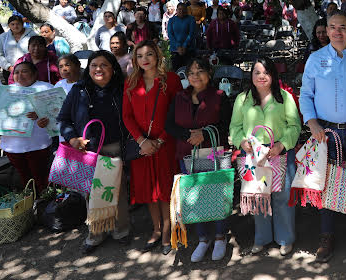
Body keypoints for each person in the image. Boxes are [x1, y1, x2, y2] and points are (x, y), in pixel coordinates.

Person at [299, 11, 346, 262]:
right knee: (326, 183)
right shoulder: (316, 59)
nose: (337, 32)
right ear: (327, 30)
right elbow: (306, 95)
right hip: (326, 132)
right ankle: (327, 235)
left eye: (342, 27)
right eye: (332, 27)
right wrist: (312, 123)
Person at [57, 51, 130, 253]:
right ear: (87, 69)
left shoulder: (122, 88)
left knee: (118, 192)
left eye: (104, 65)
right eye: (94, 65)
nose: (98, 69)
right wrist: (73, 138)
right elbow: (63, 119)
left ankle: (120, 230)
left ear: (113, 68)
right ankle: (96, 234)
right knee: (93, 194)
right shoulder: (78, 90)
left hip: (114, 147)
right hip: (88, 152)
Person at [229, 57, 300, 258]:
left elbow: (295, 126)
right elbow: (235, 127)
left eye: (266, 72)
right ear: (251, 75)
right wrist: (241, 142)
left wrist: (281, 145)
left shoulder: (285, 97)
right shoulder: (242, 99)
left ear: (273, 75)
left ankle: (285, 239)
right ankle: (262, 238)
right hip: (253, 155)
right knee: (258, 195)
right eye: (257, 72)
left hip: (279, 152)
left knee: (282, 197)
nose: (261, 76)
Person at [165, 58, 232, 262]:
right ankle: (203, 238)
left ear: (209, 73)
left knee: (217, 193)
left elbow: (227, 124)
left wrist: (204, 134)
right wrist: (189, 136)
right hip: (188, 154)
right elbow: (169, 126)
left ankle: (220, 236)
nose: (195, 76)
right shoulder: (180, 97)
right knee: (193, 196)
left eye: (200, 71)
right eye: (191, 73)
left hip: (213, 153)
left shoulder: (219, 96)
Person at [122, 40, 182, 255]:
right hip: (142, 146)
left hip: (165, 145)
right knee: (148, 190)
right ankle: (155, 229)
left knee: (165, 189)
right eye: (139, 56)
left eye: (149, 54)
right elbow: (127, 116)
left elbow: (177, 113)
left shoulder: (171, 80)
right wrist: (142, 141)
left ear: (157, 56)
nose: (144, 59)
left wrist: (160, 140)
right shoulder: (131, 82)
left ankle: (167, 229)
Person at [0, 62, 52, 191]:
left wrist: (41, 113)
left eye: (24, 71)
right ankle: (29, 200)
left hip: (37, 144)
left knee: (40, 177)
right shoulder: (7, 91)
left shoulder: (46, 88)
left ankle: (44, 200)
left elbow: (59, 111)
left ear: (35, 74)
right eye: (16, 72)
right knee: (25, 178)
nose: (20, 75)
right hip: (13, 145)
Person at [0, 15, 37, 80]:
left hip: (29, 70)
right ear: (9, 25)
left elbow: (37, 51)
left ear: (22, 24)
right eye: (12, 24)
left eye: (18, 24)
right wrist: (8, 67)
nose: (15, 26)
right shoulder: (3, 37)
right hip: (9, 71)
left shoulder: (32, 35)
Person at [167, 3, 196, 71]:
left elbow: (191, 34)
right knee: (176, 70)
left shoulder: (191, 19)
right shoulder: (171, 20)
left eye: (183, 9)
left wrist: (185, 46)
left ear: (186, 10)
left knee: (189, 70)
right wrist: (178, 46)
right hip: (175, 49)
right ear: (176, 10)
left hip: (188, 49)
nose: (181, 11)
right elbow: (170, 34)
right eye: (179, 9)